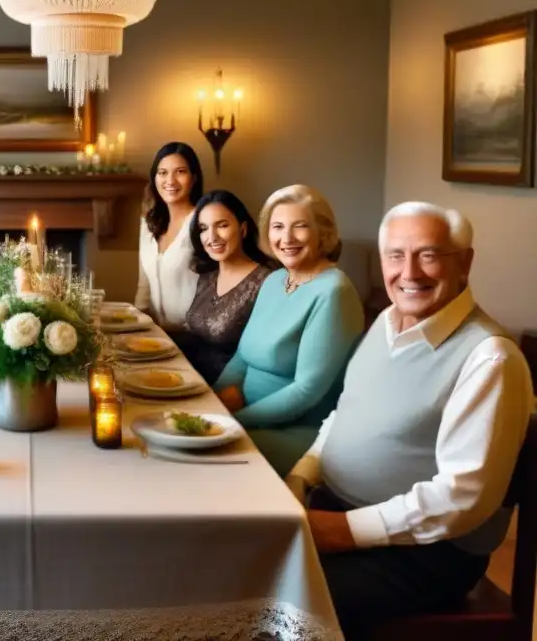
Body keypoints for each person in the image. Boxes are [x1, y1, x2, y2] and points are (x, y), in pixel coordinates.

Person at [285, 202, 534, 638]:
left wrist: (343, 531)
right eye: (396, 256)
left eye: (429, 255)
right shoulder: (384, 322)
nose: (410, 272)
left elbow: (461, 499)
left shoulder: (490, 357)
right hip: (337, 509)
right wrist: (301, 477)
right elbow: (345, 413)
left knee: (283, 604)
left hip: (426, 553)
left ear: (465, 263)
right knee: (236, 563)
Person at [214, 184, 364, 476]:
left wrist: (234, 420)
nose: (287, 238)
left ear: (323, 232)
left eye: (300, 227)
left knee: (203, 460)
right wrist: (215, 401)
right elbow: (241, 359)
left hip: (299, 432)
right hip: (247, 418)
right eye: (278, 227)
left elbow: (306, 391)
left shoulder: (334, 292)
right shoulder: (275, 280)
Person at [173, 190, 273, 383]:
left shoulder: (266, 281)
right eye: (203, 228)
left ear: (243, 229)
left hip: (231, 390)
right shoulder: (207, 277)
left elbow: (263, 357)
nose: (212, 237)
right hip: (191, 381)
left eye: (222, 225)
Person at [135, 142, 205, 330]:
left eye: (180, 172)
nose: (170, 181)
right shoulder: (149, 224)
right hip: (158, 337)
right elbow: (144, 288)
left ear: (194, 177)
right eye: (163, 172)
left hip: (194, 337)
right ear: (155, 177)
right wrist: (136, 329)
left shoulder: (202, 223)